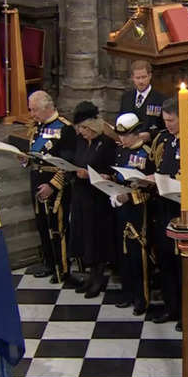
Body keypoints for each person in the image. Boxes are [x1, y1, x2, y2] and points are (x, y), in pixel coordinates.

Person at [148, 98, 188, 327]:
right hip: (163, 206)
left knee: (181, 264)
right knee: (165, 260)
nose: (167, 125)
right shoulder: (167, 139)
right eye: (165, 120)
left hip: (182, 210)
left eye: (171, 120)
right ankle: (171, 307)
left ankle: (186, 310)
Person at [26, 91, 77, 283]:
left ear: (47, 108)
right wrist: (25, 159)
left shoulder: (65, 129)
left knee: (58, 227)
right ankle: (49, 263)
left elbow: (68, 164)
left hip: (56, 186)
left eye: (35, 110)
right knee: (42, 225)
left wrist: (52, 185)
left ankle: (62, 268)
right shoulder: (38, 127)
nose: (32, 114)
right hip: (36, 179)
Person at [68, 101, 116, 298]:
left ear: (93, 127)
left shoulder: (106, 143)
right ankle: (89, 276)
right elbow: (73, 162)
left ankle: (98, 277)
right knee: (83, 237)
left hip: (97, 199)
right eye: (79, 128)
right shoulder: (80, 142)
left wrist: (92, 175)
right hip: (80, 195)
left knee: (96, 238)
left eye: (84, 128)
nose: (81, 132)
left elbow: (111, 171)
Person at [112, 112, 155, 316]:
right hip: (120, 207)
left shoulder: (147, 154)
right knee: (124, 252)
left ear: (136, 133)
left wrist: (131, 196)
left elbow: (152, 188)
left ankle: (142, 297)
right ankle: (127, 292)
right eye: (120, 135)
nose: (122, 139)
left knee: (139, 254)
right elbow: (117, 176)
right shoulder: (120, 152)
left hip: (140, 210)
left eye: (126, 135)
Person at [119, 60, 166, 141]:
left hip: (151, 147)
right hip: (129, 146)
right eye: (138, 78)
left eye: (144, 77)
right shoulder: (126, 97)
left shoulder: (161, 99)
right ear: (132, 78)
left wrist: (151, 135)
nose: (141, 81)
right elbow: (121, 121)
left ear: (150, 76)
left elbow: (166, 128)